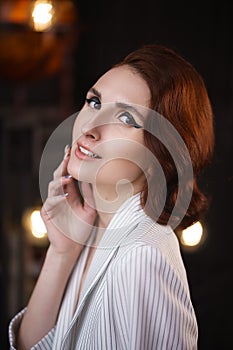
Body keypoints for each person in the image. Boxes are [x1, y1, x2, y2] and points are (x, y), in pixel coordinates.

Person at [9, 44, 214, 349]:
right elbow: (29, 345)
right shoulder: (93, 235)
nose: (90, 127)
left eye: (126, 118)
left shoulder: (143, 256)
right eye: (94, 102)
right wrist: (62, 252)